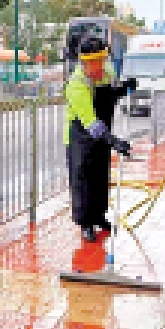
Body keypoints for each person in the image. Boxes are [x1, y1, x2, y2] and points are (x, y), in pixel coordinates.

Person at [64, 35, 136, 244]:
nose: (97, 67)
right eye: (92, 63)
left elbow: (112, 92)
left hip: (102, 137)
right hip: (81, 137)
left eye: (100, 61)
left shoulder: (108, 72)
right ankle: (86, 223)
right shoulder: (76, 84)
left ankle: (99, 216)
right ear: (83, 63)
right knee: (83, 179)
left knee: (100, 176)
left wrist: (126, 88)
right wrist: (116, 142)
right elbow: (92, 124)